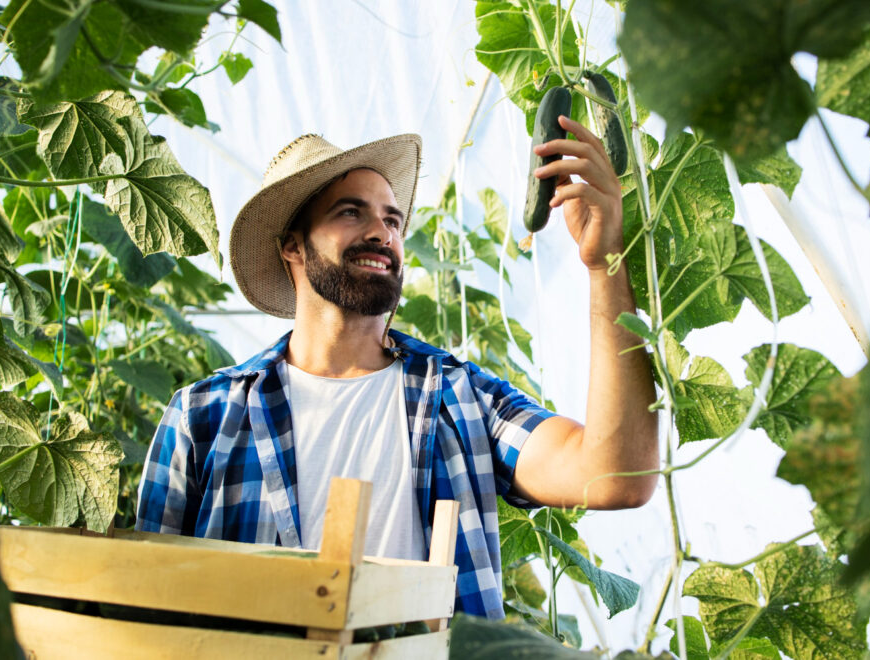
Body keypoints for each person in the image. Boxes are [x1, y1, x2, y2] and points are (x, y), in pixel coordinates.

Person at [136, 118, 659, 619]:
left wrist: (602, 263)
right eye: (350, 212)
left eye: (392, 219)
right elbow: (142, 608)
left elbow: (616, 477)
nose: (382, 233)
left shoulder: (460, 396)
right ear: (293, 246)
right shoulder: (203, 417)